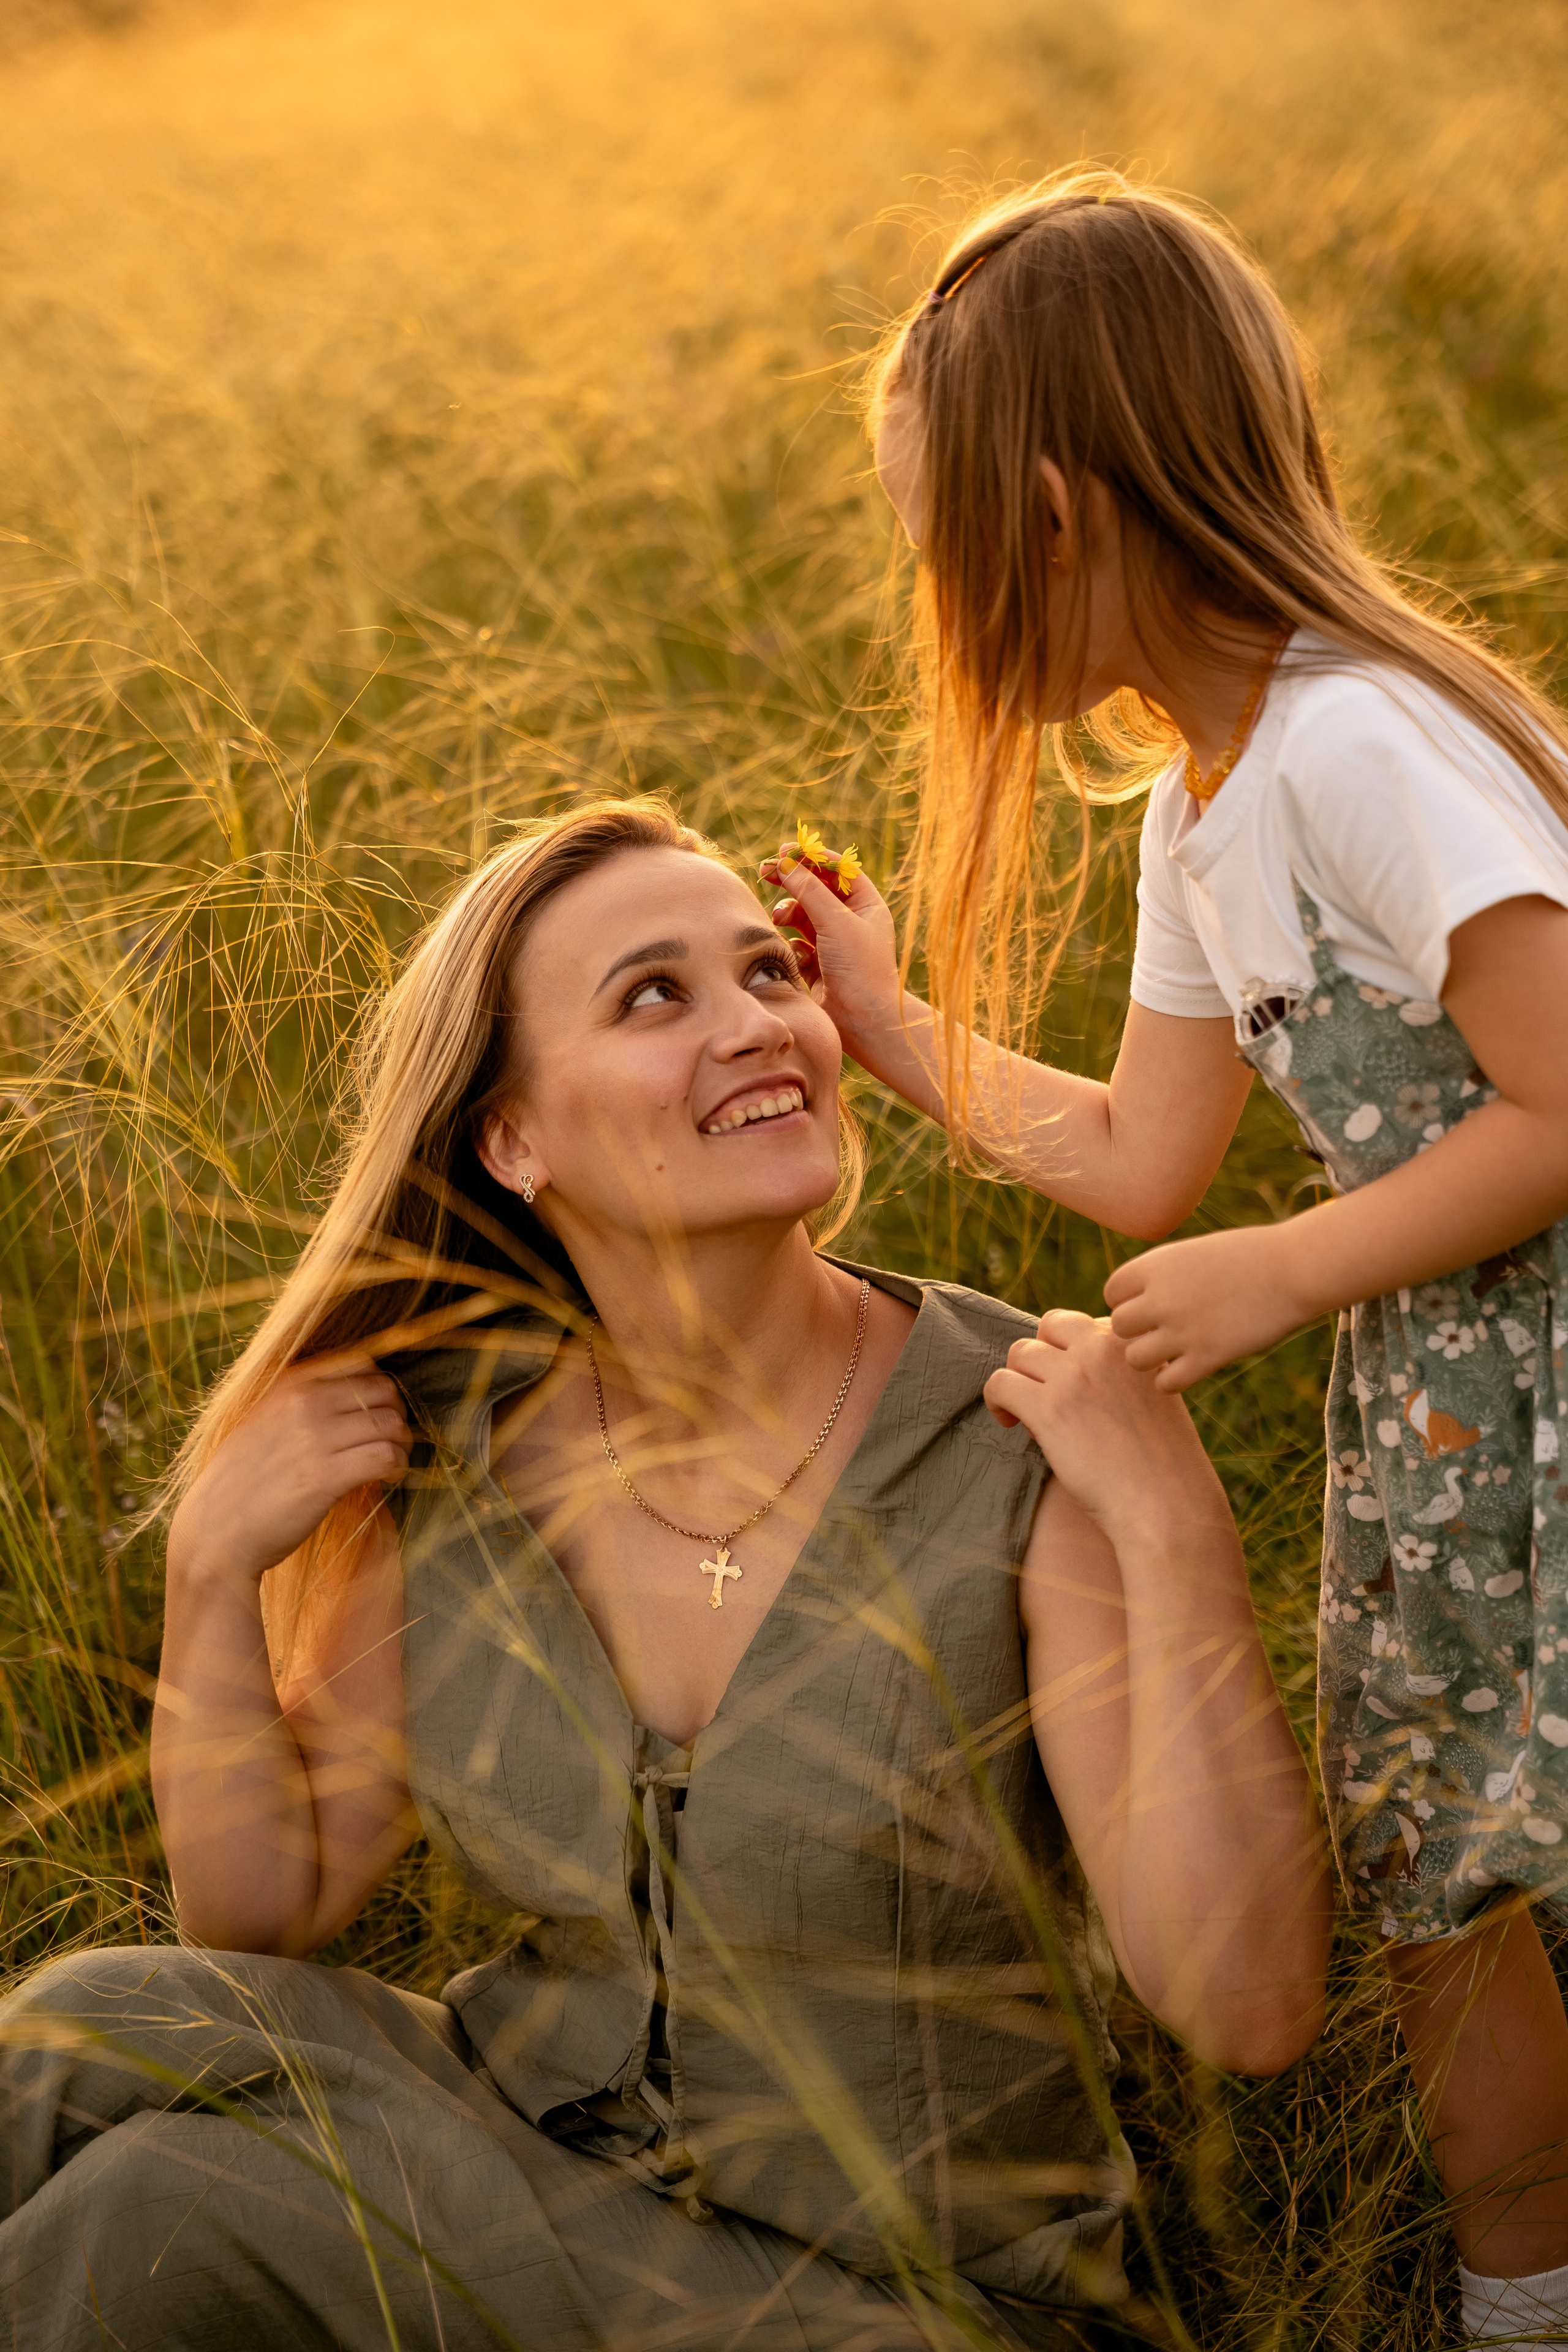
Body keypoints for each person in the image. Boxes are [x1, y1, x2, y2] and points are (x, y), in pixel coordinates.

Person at [0, 801, 1326, 2352]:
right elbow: (265, 1906)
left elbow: (1250, 2013)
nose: (760, 1027)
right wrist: (210, 1571)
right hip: (525, 2192)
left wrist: (1177, 1534)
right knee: (89, 2028)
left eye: (771, 976)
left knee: (164, 2203)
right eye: (655, 995)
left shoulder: (1030, 1433)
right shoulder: (454, 1451)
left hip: (917, 2308)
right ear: (512, 1138)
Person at [770, 168, 1568, 2345]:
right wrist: (881, 1019)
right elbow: (1139, 1157)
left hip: (1533, 1386)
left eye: (933, 538)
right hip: (1451, 1420)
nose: (926, 593)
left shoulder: (1355, 744)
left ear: (1051, 511)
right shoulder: (1208, 810)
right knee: (1445, 1873)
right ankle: (1530, 2300)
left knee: (1483, 1858)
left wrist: (1295, 1270)